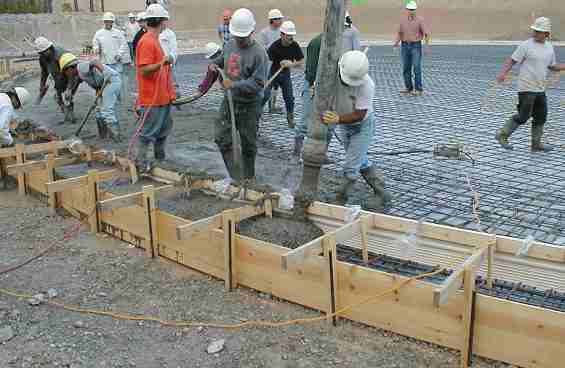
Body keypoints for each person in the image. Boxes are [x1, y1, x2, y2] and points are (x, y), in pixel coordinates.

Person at [321, 50, 389, 209]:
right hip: (346, 125)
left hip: (362, 126)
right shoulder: (334, 74)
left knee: (351, 165)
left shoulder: (367, 85)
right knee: (360, 160)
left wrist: (337, 119)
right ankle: (382, 192)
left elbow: (359, 114)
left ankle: (340, 198)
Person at [210, 8, 268, 182]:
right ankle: (235, 176)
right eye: (237, 36)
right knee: (221, 138)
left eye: (243, 37)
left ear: (252, 31)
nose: (240, 40)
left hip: (249, 105)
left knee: (248, 144)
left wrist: (234, 84)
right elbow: (223, 59)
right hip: (229, 101)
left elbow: (258, 83)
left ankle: (248, 178)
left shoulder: (259, 54)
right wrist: (215, 64)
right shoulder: (229, 45)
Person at [495, 17, 565, 152]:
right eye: (535, 30)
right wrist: (503, 73)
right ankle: (502, 135)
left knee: (541, 116)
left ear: (547, 34)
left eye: (539, 31)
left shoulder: (549, 47)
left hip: (540, 88)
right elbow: (511, 60)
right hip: (526, 87)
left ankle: (536, 144)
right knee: (523, 116)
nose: (535, 33)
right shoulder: (526, 45)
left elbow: (552, 66)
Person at [136, 3, 176, 172]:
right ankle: (140, 162)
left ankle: (160, 159)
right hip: (152, 98)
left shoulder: (154, 40)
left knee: (163, 130)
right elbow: (144, 70)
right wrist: (162, 62)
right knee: (148, 132)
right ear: (161, 21)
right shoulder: (146, 42)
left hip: (163, 96)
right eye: (165, 20)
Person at [60, 53, 123, 142]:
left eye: (65, 72)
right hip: (102, 85)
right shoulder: (79, 73)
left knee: (106, 110)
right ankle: (103, 136)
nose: (66, 75)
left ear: (70, 68)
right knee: (98, 111)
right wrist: (69, 91)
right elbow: (92, 81)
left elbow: (94, 62)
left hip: (111, 81)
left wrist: (105, 72)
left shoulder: (80, 66)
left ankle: (116, 137)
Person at [262, 21, 304, 128]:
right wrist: (265, 78)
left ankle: (290, 118)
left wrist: (291, 64)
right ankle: (255, 115)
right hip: (273, 72)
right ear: (282, 34)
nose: (291, 38)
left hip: (285, 74)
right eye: (288, 35)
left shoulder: (294, 45)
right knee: (265, 94)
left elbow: (301, 62)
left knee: (289, 98)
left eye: (292, 35)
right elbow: (267, 62)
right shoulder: (274, 46)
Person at [35, 36, 76, 124]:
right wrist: (42, 85)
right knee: (57, 97)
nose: (42, 55)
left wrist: (69, 88)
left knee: (68, 96)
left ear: (49, 48)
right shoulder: (43, 57)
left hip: (71, 75)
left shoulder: (61, 55)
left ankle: (71, 115)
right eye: (40, 53)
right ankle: (66, 114)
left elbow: (71, 73)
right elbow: (44, 72)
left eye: (43, 52)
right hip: (58, 77)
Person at [393, 1, 430, 96]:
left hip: (416, 46)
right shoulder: (402, 20)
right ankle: (408, 88)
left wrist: (426, 46)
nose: (411, 11)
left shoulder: (420, 20)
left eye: (413, 9)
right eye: (409, 9)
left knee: (416, 67)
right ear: (407, 10)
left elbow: (426, 33)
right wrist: (396, 44)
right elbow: (400, 33)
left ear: (415, 10)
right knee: (406, 67)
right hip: (405, 46)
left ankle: (418, 89)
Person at [259, 9, 285, 113]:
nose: (280, 21)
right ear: (272, 20)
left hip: (279, 63)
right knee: (267, 85)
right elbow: (262, 47)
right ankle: (259, 107)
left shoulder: (282, 32)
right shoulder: (264, 32)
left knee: (276, 86)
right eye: (278, 19)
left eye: (280, 19)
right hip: (268, 63)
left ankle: (272, 106)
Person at [159, 15, 181, 109]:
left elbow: (174, 49)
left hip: (168, 64)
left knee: (173, 84)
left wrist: (171, 59)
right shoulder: (154, 34)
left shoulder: (170, 33)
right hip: (158, 65)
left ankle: (178, 102)